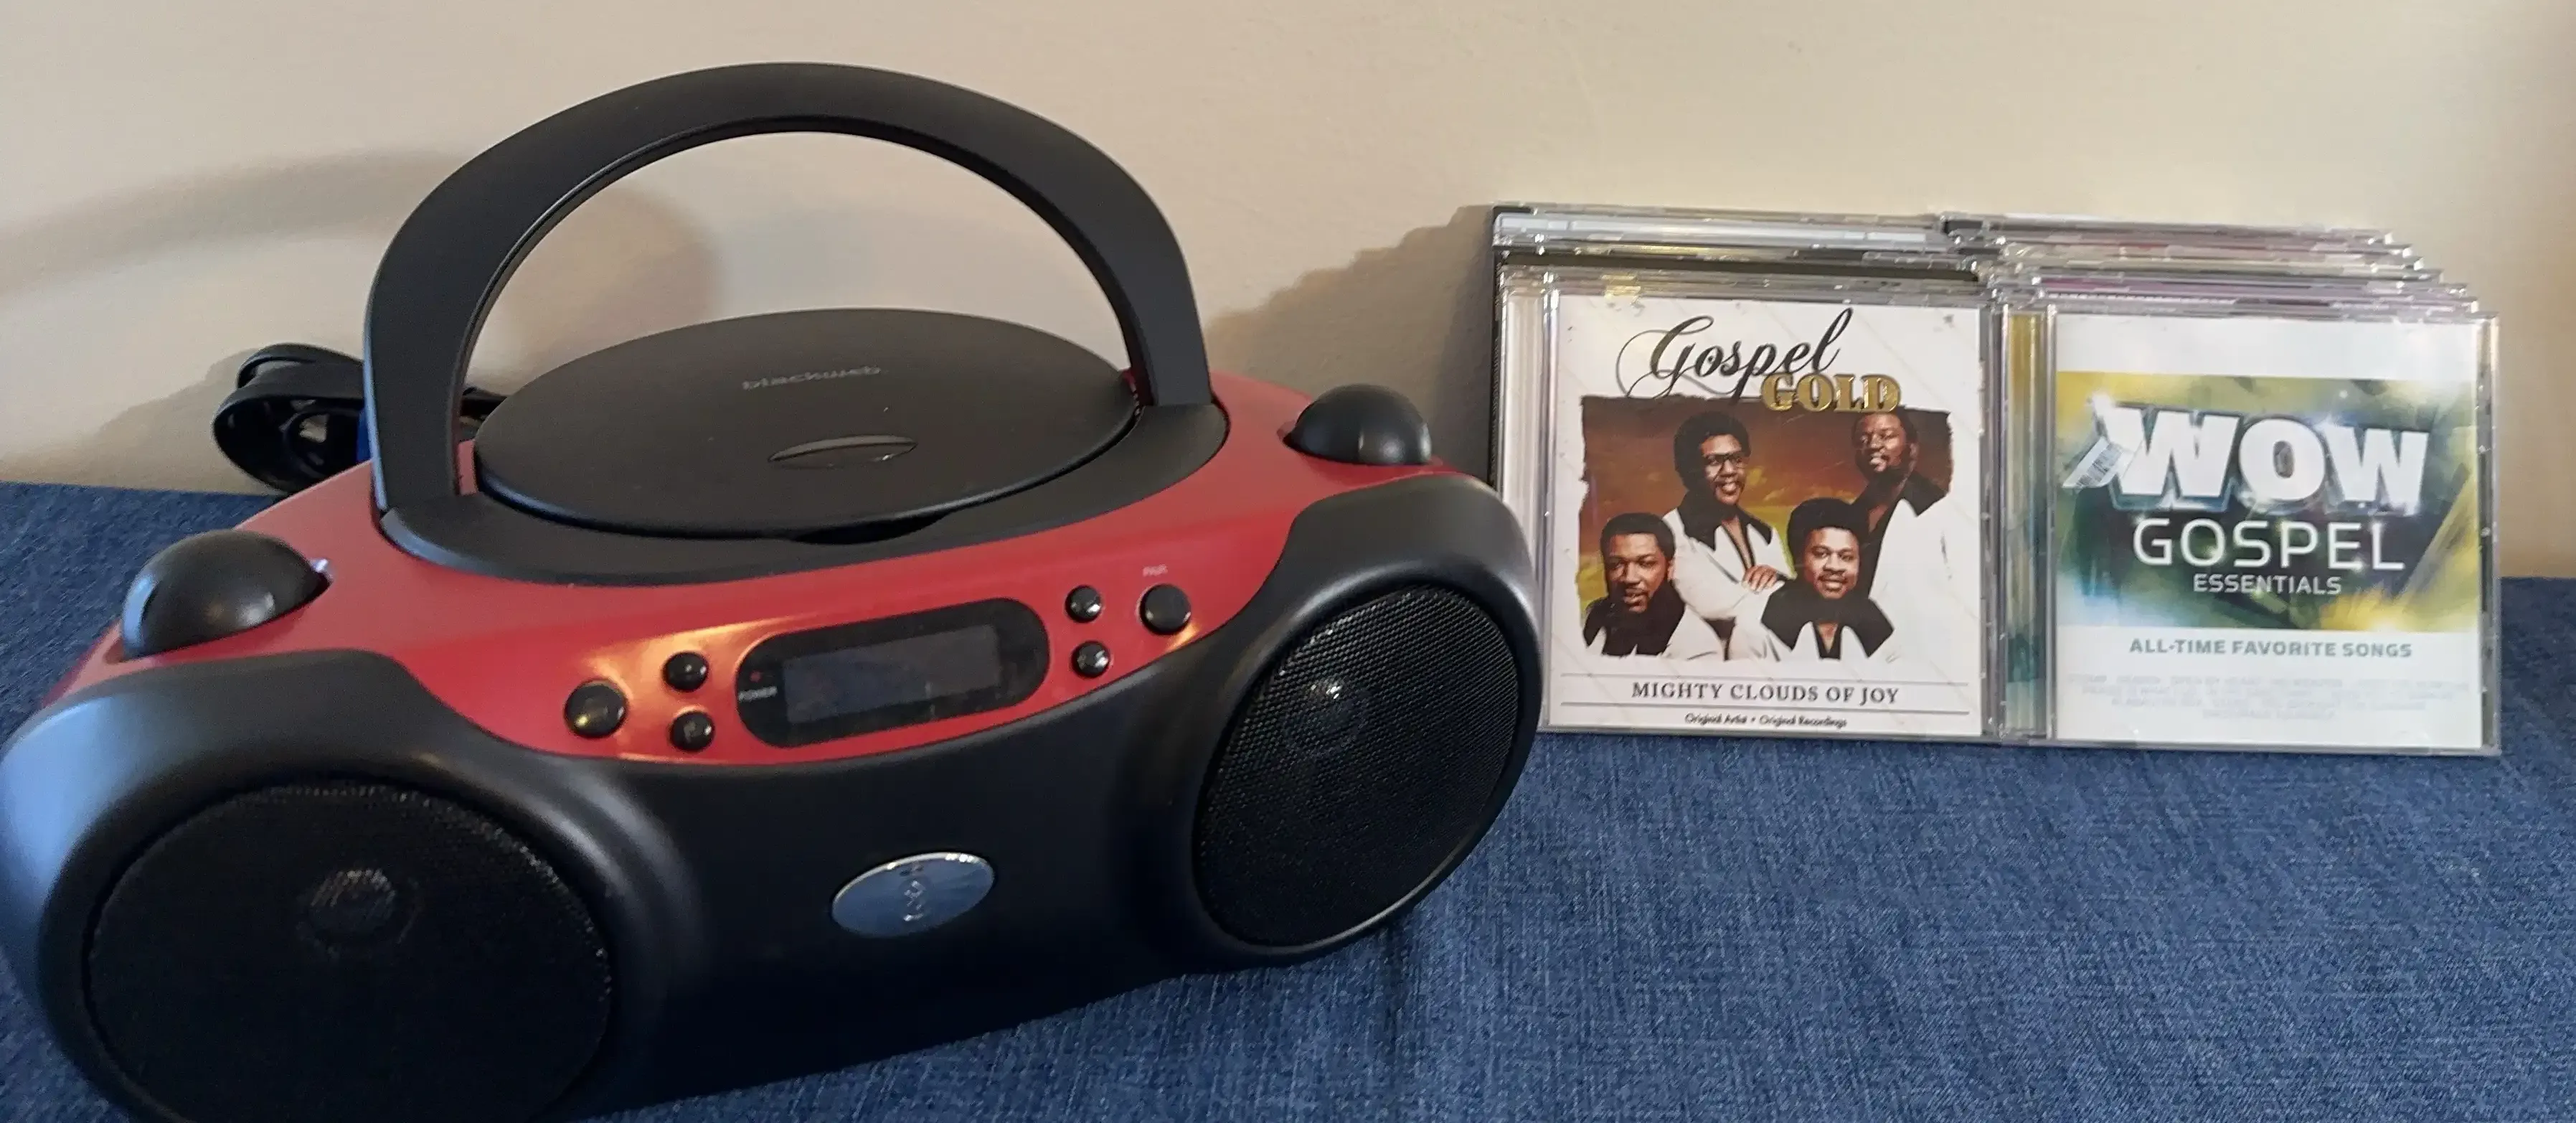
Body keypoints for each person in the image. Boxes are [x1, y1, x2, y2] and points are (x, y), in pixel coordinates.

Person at [1846, 409, 1973, 672]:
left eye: (1886, 436)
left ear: (1912, 448)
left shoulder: (1941, 509)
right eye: (1863, 439)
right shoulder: (1851, 515)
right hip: (1861, 662)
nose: (1873, 445)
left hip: (1926, 664)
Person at [1660, 410, 1789, 647]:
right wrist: (1786, 591)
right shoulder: (1672, 530)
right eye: (1714, 461)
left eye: (1737, 459)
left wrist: (1782, 580)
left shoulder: (1765, 533)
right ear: (1690, 470)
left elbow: (1791, 604)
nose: (1729, 471)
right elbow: (1711, 605)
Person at [1727, 497, 1900, 663]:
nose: (1834, 566)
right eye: (1821, 554)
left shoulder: (1880, 625)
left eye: (1846, 557)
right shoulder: (1756, 627)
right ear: (1798, 559)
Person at [1582, 512, 1725, 660]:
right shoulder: (1593, 616)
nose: (1630, 578)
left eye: (1645, 563)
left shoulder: (1697, 648)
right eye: (1616, 564)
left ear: (1670, 568)